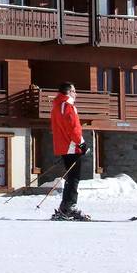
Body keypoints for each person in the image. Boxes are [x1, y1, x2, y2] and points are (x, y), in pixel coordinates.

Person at [49, 82, 91, 221]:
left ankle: (65, 207)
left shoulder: (56, 105)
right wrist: (82, 143)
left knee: (70, 177)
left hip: (63, 146)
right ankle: (69, 207)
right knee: (74, 178)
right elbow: (73, 128)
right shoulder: (67, 106)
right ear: (68, 92)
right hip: (71, 146)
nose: (76, 93)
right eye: (74, 91)